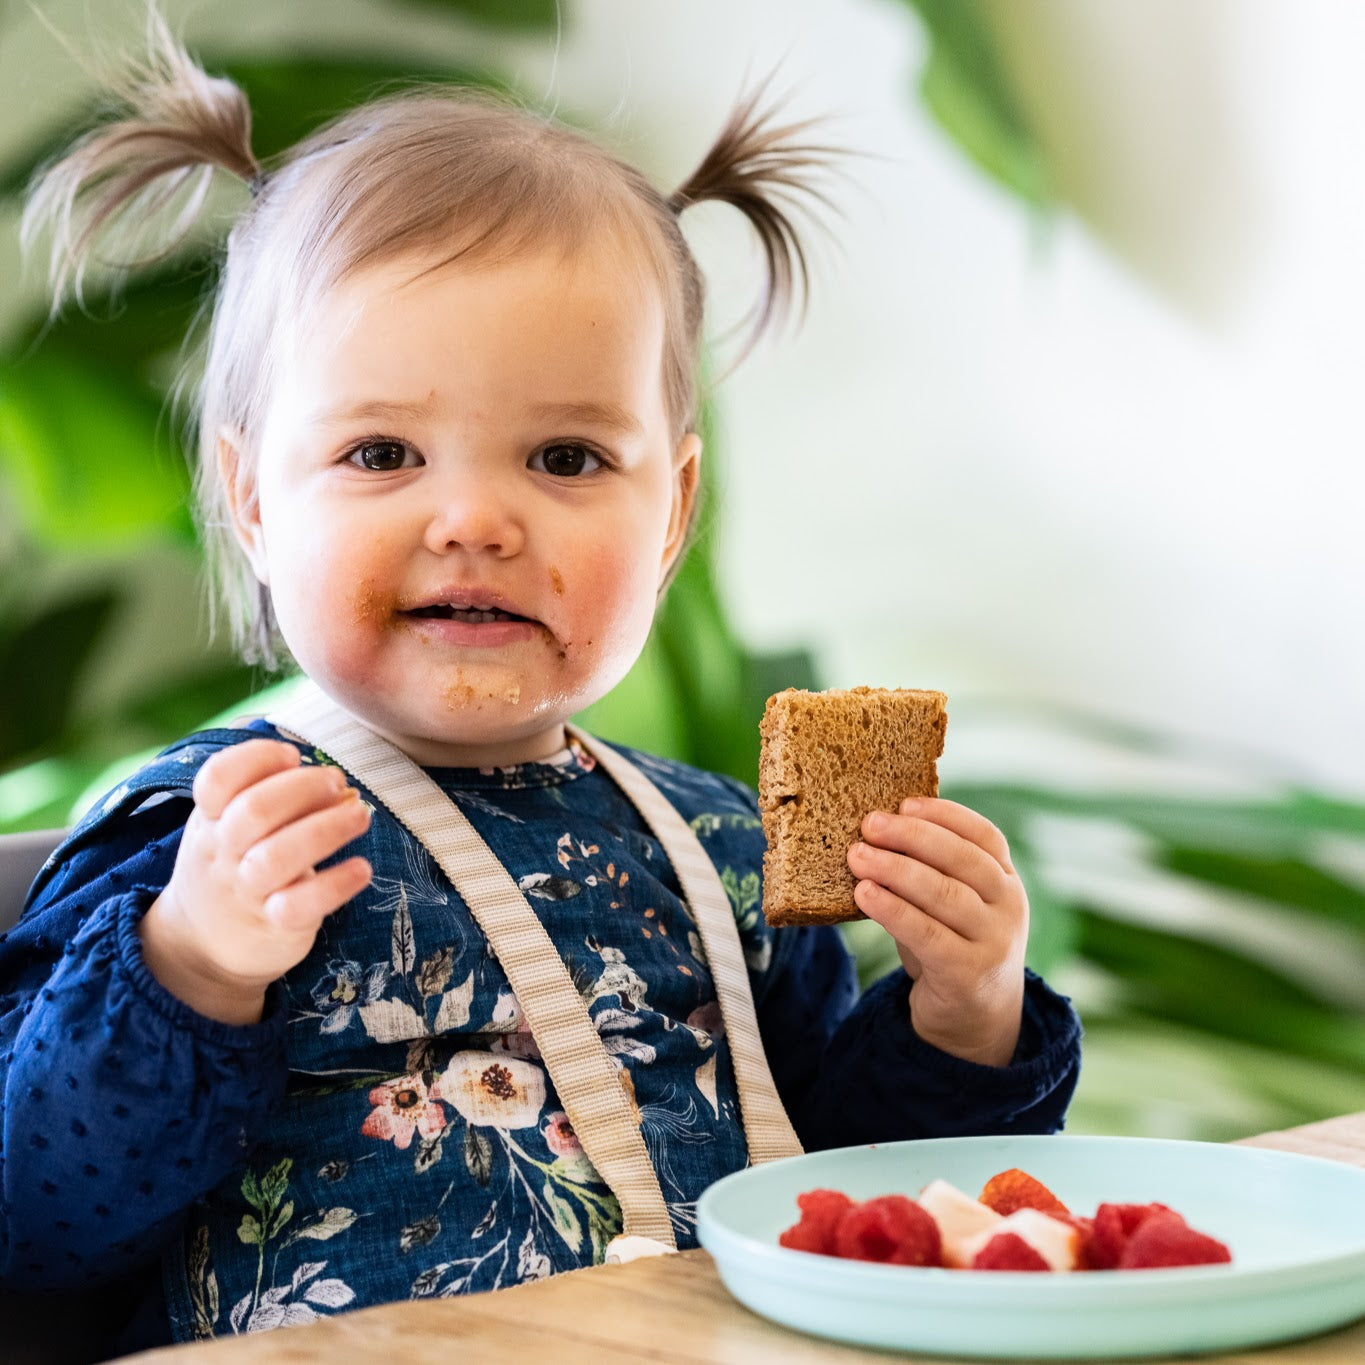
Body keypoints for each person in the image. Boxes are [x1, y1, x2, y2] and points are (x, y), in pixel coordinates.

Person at [0, 11, 1080, 1353]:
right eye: (383, 452)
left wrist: (961, 1018)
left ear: (671, 511)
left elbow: (847, 1190)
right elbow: (31, 1219)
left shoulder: (726, 849)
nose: (475, 520)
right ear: (253, 499)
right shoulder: (201, 842)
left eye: (565, 460)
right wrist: (194, 967)